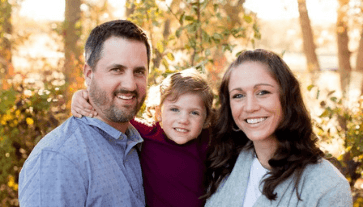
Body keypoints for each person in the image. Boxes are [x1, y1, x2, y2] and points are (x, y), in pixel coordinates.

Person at [18, 20, 151, 206]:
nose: (130, 84)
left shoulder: (144, 143)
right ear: (89, 74)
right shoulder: (58, 158)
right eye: (116, 70)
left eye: (139, 72)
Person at [203, 49, 353, 207]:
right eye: (238, 95)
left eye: (262, 92)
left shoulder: (328, 187)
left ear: (286, 97)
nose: (249, 107)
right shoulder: (222, 166)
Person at [71, 68, 214, 207]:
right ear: (158, 112)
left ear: (206, 119)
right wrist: (82, 97)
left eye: (194, 113)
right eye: (175, 109)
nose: (183, 120)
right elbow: (110, 111)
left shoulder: (207, 142)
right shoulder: (147, 134)